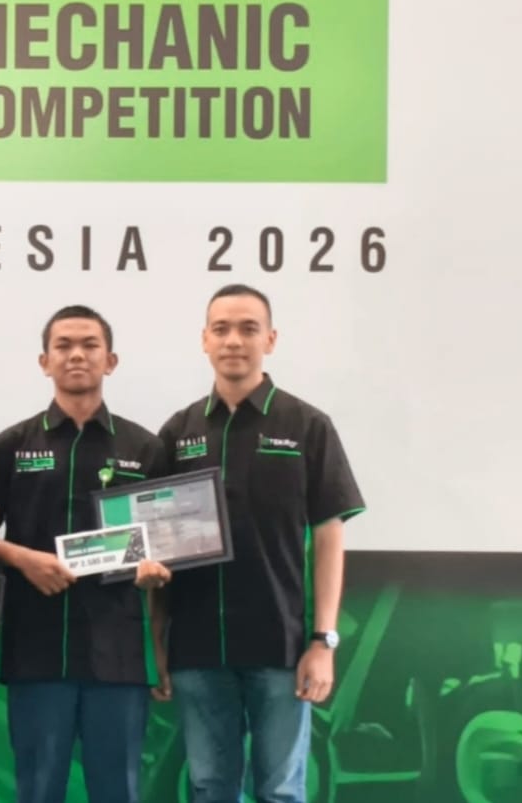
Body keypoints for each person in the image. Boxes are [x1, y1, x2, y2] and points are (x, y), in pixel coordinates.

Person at [150, 284, 367, 803]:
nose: (234, 340)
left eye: (248, 329)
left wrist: (323, 641)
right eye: (221, 329)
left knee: (282, 791)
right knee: (209, 787)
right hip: (198, 648)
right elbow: (155, 548)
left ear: (270, 339)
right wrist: (156, 642)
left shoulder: (307, 426)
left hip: (282, 648)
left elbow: (330, 535)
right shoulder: (178, 432)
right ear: (204, 340)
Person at [0, 305, 173, 803]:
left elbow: (168, 544)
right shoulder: (11, 446)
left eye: (89, 345)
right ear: (45, 361)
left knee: (118, 791)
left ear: (110, 361)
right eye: (64, 346)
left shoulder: (145, 448)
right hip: (35, 650)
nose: (77, 355)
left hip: (119, 655)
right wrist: (21, 558)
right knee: (39, 789)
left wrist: (154, 572)